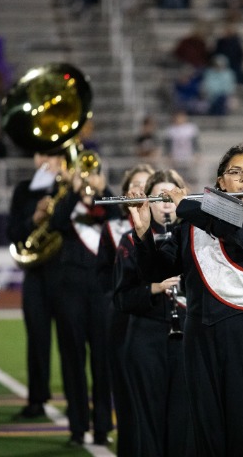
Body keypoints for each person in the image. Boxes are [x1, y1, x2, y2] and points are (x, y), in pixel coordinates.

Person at [127, 144, 243, 457]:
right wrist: (143, 234)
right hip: (199, 340)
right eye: (235, 172)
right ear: (221, 182)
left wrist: (188, 207)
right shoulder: (192, 222)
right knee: (206, 436)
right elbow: (157, 270)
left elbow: (242, 236)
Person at [115, 169, 195, 456]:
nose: (166, 204)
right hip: (146, 340)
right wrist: (155, 288)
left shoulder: (195, 238)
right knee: (148, 425)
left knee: (183, 423)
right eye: (159, 197)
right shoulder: (130, 241)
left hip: (187, 340)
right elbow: (122, 298)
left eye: (171, 196)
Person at [49, 150, 120, 447]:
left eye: (92, 172)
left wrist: (104, 190)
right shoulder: (68, 200)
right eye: (84, 172)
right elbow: (56, 223)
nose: (88, 177)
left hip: (102, 288)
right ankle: (77, 428)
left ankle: (102, 427)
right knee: (72, 358)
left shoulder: (107, 201)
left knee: (103, 360)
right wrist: (72, 190)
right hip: (70, 288)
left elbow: (119, 220)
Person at [95, 162, 154, 456]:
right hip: (123, 318)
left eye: (146, 184)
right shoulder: (114, 228)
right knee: (125, 392)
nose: (140, 189)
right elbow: (104, 276)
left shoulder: (170, 228)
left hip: (156, 323)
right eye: (134, 185)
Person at [6, 151, 66, 420]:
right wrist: (35, 217)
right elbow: (12, 232)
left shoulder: (71, 188)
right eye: (41, 154)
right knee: (37, 340)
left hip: (67, 276)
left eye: (52, 155)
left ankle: (77, 401)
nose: (45, 160)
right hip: (36, 274)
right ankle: (36, 400)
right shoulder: (24, 191)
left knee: (71, 342)